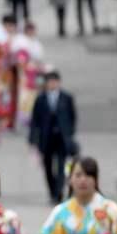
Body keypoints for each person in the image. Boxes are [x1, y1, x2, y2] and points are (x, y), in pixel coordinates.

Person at [28, 71, 78, 204]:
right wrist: (32, 139)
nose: (52, 84)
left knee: (62, 166)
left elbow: (72, 117)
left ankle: (58, 193)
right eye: (50, 82)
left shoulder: (66, 98)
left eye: (54, 81)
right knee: (48, 167)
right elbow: (35, 120)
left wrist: (70, 133)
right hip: (46, 138)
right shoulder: (41, 99)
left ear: (59, 82)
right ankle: (52, 191)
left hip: (62, 138)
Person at [12, 21, 46, 131]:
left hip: (35, 71)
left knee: (34, 95)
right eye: (30, 30)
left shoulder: (36, 43)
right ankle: (25, 117)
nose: (32, 32)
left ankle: (34, 115)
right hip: (26, 73)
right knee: (25, 96)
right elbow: (21, 61)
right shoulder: (21, 43)